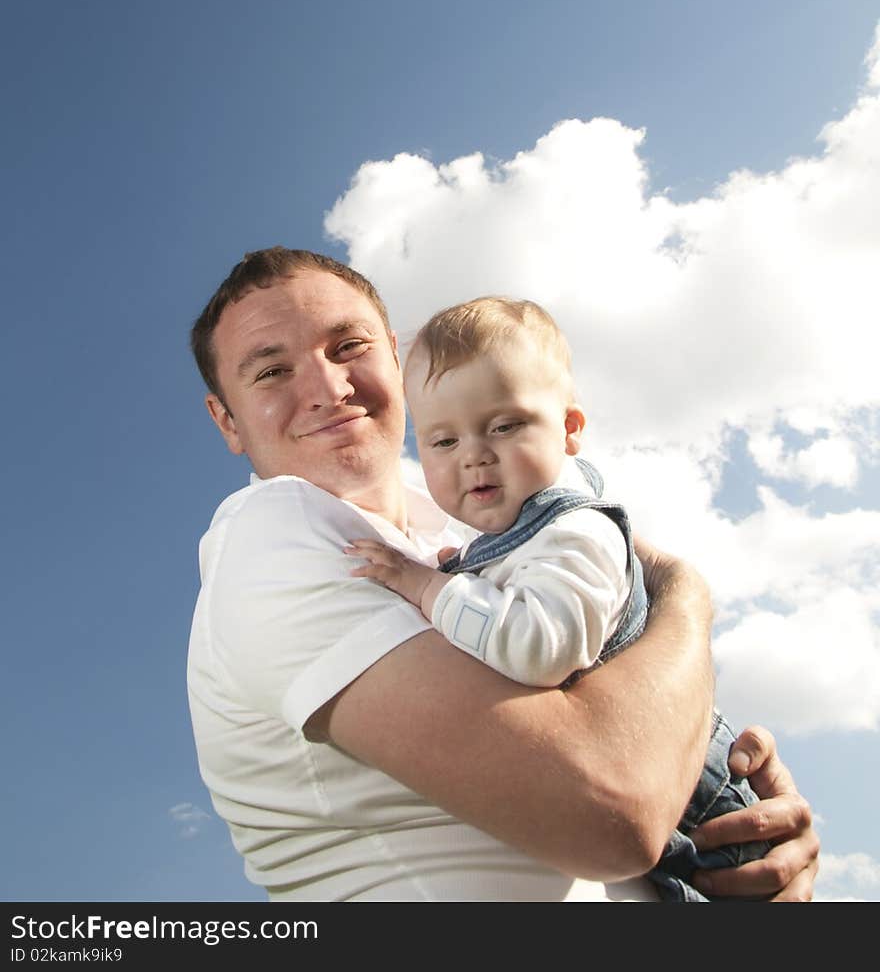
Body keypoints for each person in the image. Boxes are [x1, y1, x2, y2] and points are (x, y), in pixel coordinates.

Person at [186, 246, 819, 902]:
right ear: (226, 419)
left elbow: (632, 699)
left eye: (348, 345)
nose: (328, 388)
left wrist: (724, 791)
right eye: (271, 371)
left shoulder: (472, 526)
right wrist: (688, 597)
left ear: (397, 358)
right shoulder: (274, 528)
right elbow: (613, 813)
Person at [346, 295, 769, 901]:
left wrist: (426, 587)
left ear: (570, 430)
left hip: (699, 807)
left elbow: (538, 649)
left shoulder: (575, 531)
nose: (474, 454)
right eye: (441, 441)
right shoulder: (512, 535)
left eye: (505, 425)